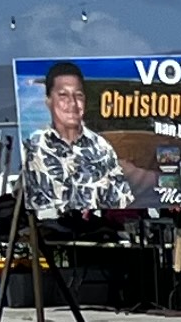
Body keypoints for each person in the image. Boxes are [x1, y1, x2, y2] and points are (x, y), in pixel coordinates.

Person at [19, 61, 135, 221]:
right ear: (48, 101)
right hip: (51, 225)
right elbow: (27, 194)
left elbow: (122, 197)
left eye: (78, 95)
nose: (72, 104)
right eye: (63, 95)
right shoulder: (34, 148)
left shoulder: (102, 148)